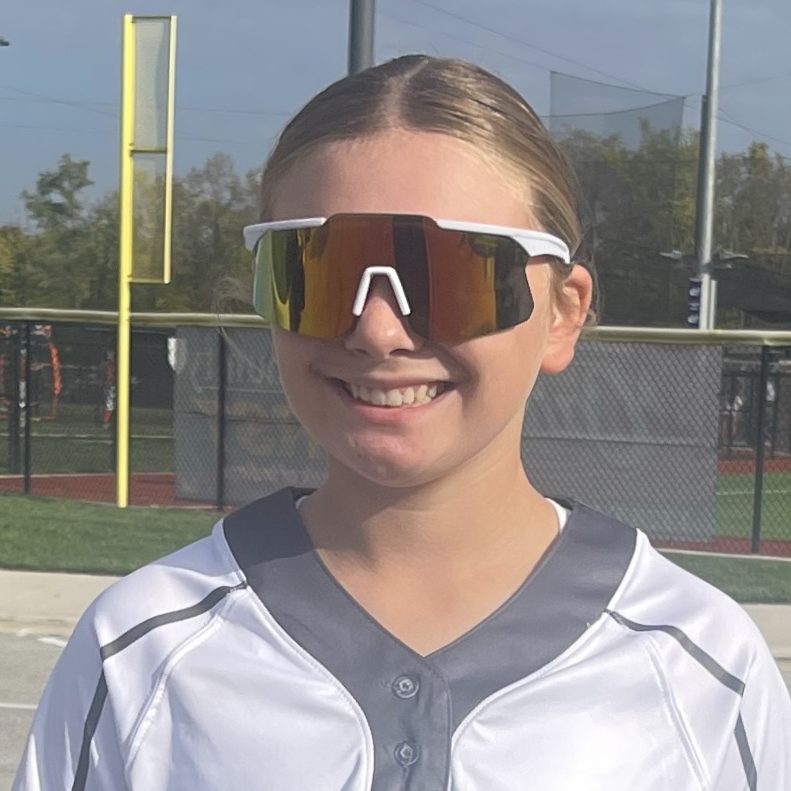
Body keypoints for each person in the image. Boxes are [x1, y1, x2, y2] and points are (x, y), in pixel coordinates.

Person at [14, 55, 791, 790]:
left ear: (562, 313)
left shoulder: (699, 662)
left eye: (452, 272)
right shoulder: (141, 645)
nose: (377, 330)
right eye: (318, 270)